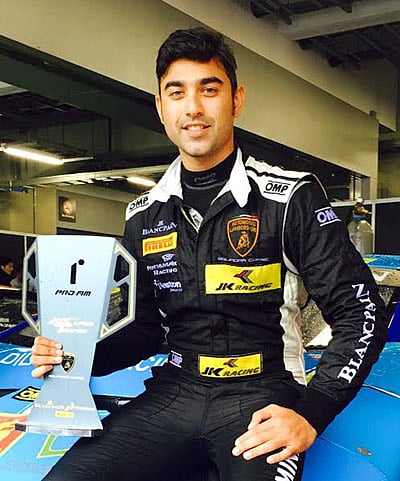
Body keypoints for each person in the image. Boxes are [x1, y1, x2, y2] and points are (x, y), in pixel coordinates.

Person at [31, 27, 388, 481]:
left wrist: (310, 413)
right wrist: (74, 357)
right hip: (175, 393)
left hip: (263, 396)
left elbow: (361, 313)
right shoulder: (144, 213)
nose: (193, 107)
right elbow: (144, 330)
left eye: (209, 89)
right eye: (177, 92)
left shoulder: (289, 197)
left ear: (236, 100)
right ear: (161, 107)